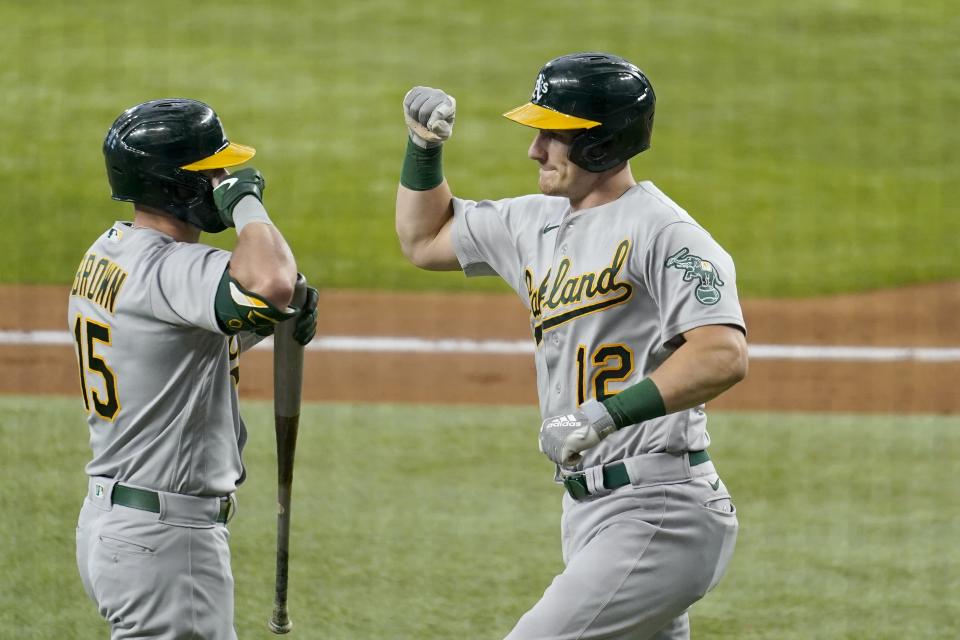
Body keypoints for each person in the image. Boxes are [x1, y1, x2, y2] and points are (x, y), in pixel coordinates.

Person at [396, 53, 747, 639]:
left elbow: (722, 354)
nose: (535, 150)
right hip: (589, 512)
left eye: (553, 136)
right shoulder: (532, 222)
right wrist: (423, 149)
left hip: (660, 510)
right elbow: (424, 238)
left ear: (601, 145)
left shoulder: (667, 233)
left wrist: (605, 416)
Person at [70, 98, 318, 639]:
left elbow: (168, 352)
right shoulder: (170, 267)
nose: (222, 179)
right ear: (177, 185)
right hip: (164, 542)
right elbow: (272, 280)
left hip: (114, 523)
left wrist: (257, 324)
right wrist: (247, 204)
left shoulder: (109, 253)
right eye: (211, 172)